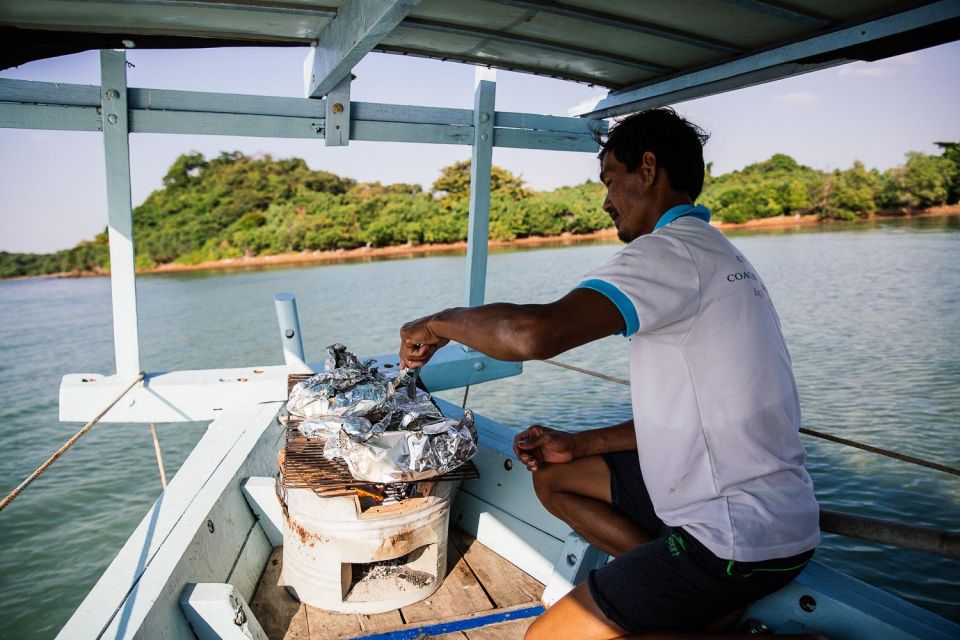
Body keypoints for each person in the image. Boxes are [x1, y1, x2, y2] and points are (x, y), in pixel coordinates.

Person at [398, 108, 821, 639]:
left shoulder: (667, 254)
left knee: (545, 638)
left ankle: (700, 604)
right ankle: (679, 591)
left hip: (735, 540)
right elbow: (701, 419)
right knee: (555, 476)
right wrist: (580, 444)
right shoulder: (716, 253)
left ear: (648, 169)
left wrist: (439, 324)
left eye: (609, 180)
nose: (605, 200)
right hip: (778, 519)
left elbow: (533, 334)